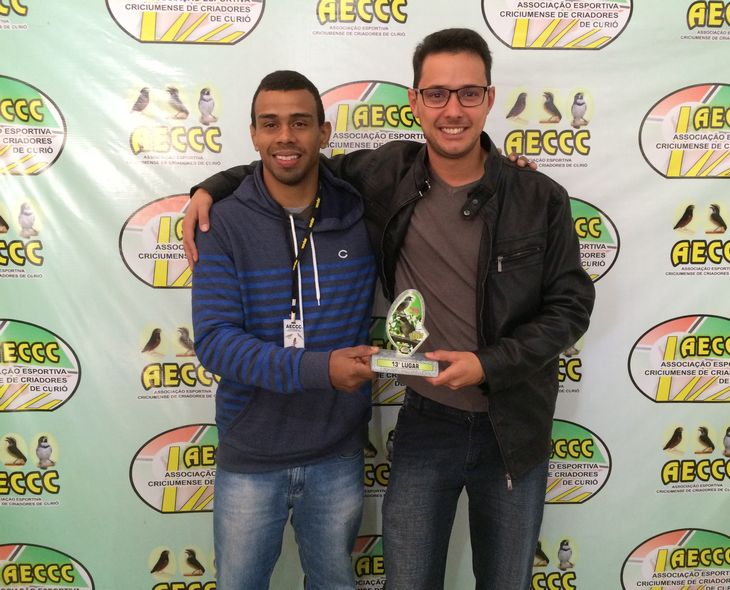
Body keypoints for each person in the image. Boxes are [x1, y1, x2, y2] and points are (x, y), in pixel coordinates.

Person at [187, 29, 595, 590]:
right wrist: (210, 187)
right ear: (415, 101)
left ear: (490, 99)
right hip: (427, 419)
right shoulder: (386, 175)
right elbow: (291, 162)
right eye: (437, 94)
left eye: (469, 93)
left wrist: (489, 364)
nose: (453, 110)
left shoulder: (538, 196)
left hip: (513, 424)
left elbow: (571, 306)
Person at [190, 70, 379, 590]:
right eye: (270, 124)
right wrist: (320, 369)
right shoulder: (223, 223)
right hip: (251, 455)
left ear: (324, 132)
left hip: (337, 452)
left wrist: (506, 168)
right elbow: (215, 342)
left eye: (300, 122)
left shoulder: (361, 211)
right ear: (253, 135)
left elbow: (445, 175)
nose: (285, 137)